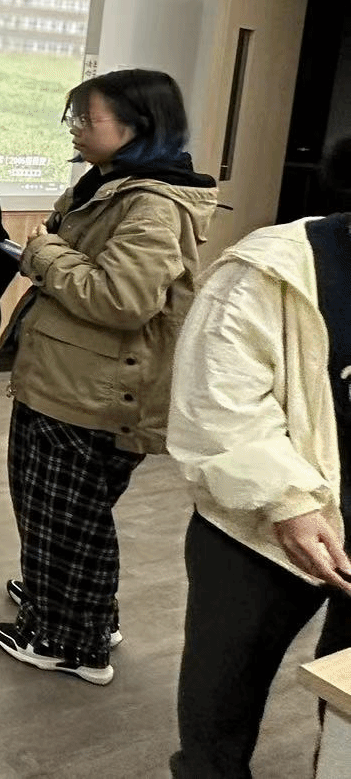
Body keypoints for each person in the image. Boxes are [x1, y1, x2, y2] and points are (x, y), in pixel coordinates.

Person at [0, 70, 216, 685]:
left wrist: (43, 252)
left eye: (87, 119)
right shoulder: (111, 184)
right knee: (64, 516)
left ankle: (68, 642)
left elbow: (122, 298)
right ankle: (74, 608)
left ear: (138, 127)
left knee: (69, 519)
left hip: (91, 392)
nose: (75, 130)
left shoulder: (151, 204)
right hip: (72, 378)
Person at [167, 138, 351, 777]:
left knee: (346, 705)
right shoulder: (273, 266)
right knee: (220, 701)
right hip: (261, 528)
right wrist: (287, 501)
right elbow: (218, 400)